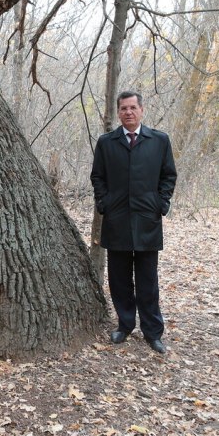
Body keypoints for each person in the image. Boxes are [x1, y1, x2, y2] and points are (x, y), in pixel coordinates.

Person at [90, 91, 176, 354]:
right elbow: (98, 177)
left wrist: (160, 204)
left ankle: (153, 332)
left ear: (142, 110)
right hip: (116, 221)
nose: (128, 112)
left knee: (148, 280)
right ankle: (125, 325)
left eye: (132, 107)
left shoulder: (159, 141)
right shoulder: (107, 143)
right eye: (123, 108)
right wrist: (105, 204)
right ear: (118, 113)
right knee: (119, 279)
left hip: (147, 220)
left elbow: (168, 176)